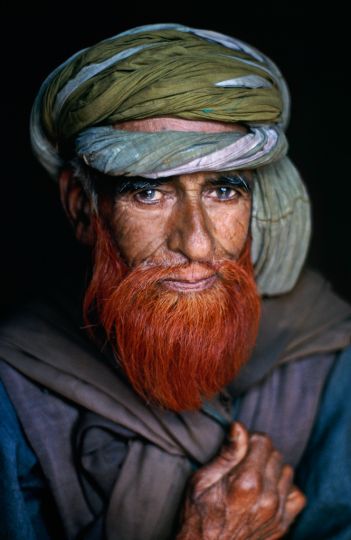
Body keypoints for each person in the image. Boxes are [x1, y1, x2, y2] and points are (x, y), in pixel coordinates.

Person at [0, 23, 350, 540]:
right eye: (148, 193)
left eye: (224, 190)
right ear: (81, 206)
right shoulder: (14, 387)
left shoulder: (326, 355)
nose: (199, 244)